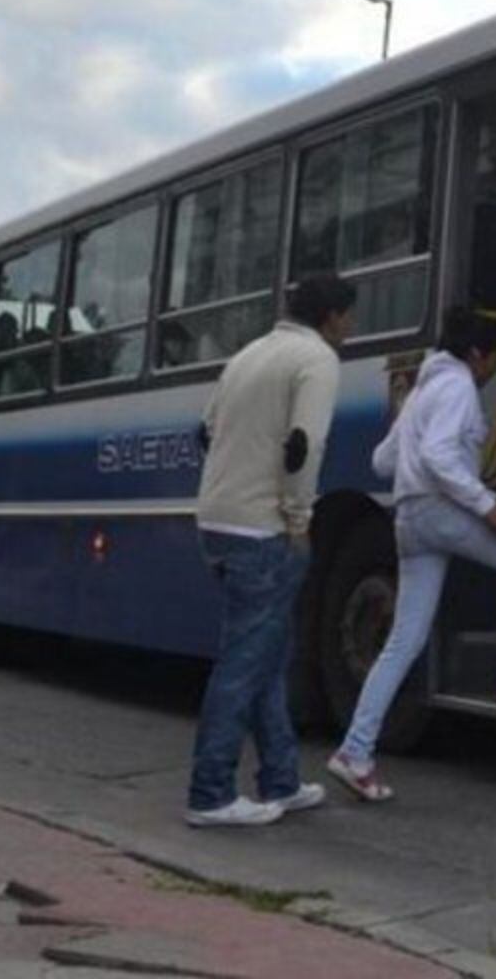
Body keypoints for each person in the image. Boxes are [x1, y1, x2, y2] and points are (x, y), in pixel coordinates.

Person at [326, 308, 496, 804]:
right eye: (495, 360)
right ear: (475, 354)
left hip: (409, 520)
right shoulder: (457, 386)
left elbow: (382, 460)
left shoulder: (422, 389)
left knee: (403, 642)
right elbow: (438, 457)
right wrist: (487, 506)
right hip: (444, 512)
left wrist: (416, 456)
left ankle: (355, 751)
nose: (495, 370)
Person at [185, 273, 356, 828]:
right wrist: (298, 519)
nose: (351, 327)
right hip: (263, 529)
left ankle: (281, 779)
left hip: (216, 520)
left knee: (265, 657)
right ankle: (210, 794)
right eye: (349, 316)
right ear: (331, 316)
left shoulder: (248, 354)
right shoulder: (317, 359)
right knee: (243, 663)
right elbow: (303, 446)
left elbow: (205, 432)